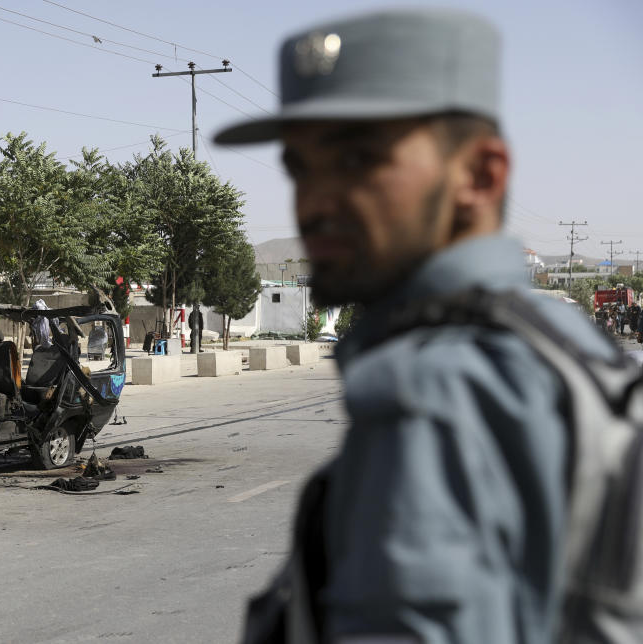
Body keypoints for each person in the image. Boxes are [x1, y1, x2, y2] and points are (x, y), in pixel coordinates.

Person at [215, 8, 616, 643]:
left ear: (480, 175)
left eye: (357, 160)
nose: (314, 200)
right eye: (300, 166)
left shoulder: (440, 390)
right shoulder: (556, 343)